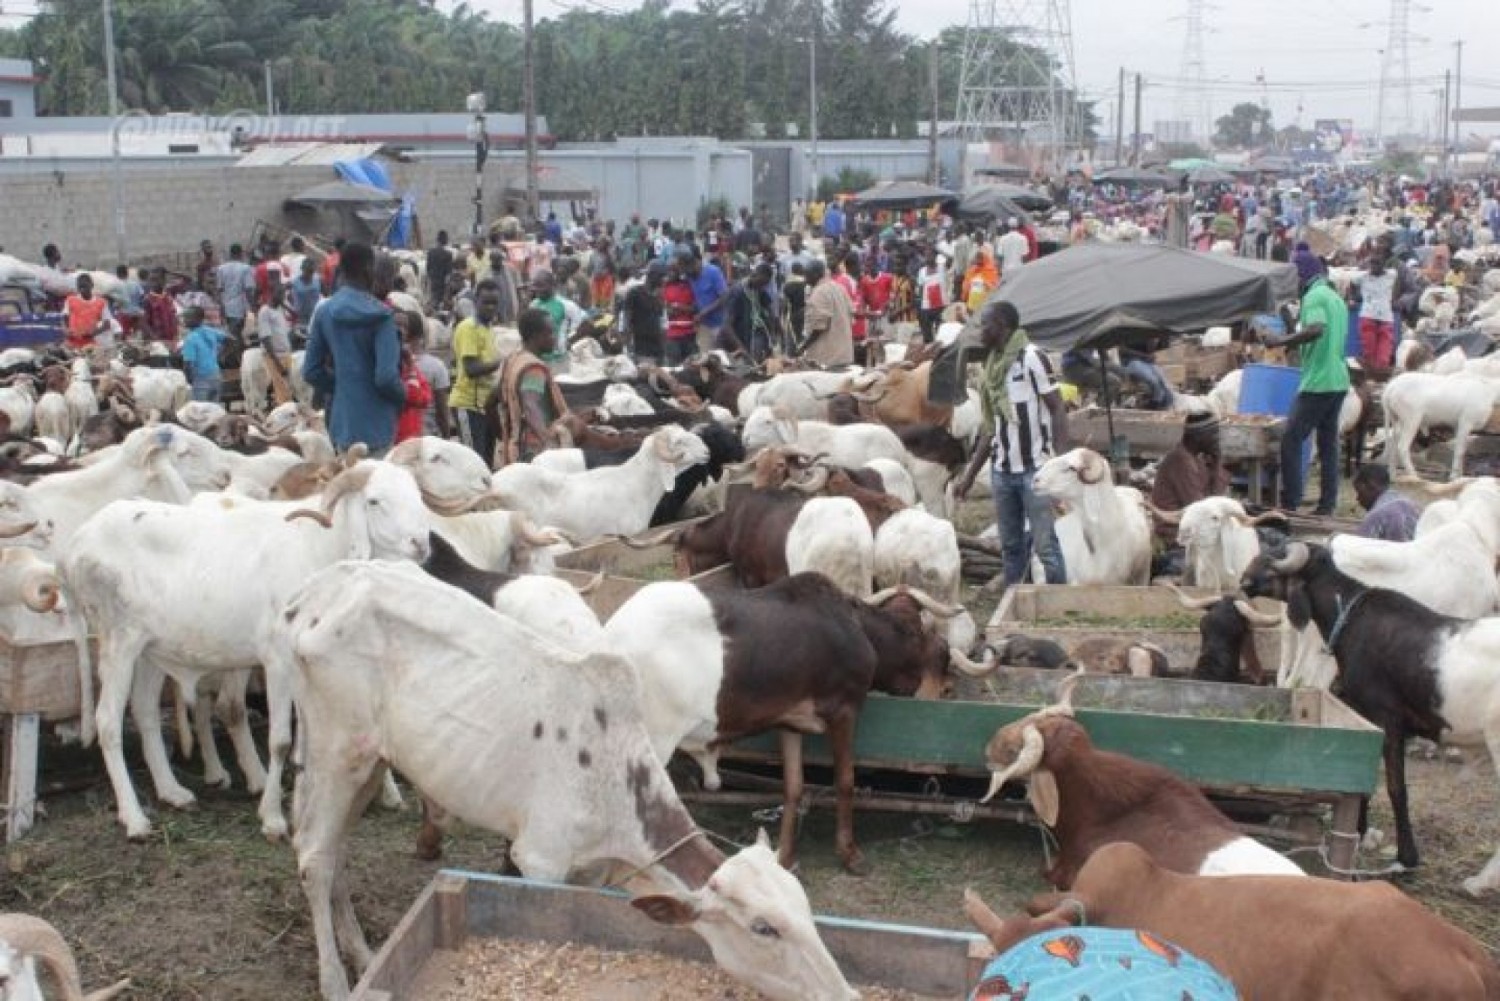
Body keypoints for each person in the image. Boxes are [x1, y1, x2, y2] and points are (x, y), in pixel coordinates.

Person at [955, 300, 1068, 588]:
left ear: (1002, 327)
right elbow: (989, 429)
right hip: (1003, 471)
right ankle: (1013, 603)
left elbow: (1057, 408)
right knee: (1011, 548)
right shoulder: (991, 368)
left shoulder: (1032, 358)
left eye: (986, 325)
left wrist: (1061, 461)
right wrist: (969, 476)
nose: (981, 331)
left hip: (1035, 470)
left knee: (1046, 548)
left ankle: (1057, 603)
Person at [302, 242, 406, 455]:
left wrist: (341, 384)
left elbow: (311, 371)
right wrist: (402, 395)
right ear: (369, 270)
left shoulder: (325, 312)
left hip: (342, 423)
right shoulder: (383, 316)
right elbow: (386, 378)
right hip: (378, 424)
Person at [1267, 252, 1350, 515]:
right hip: (1338, 379)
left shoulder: (1314, 297)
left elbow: (1315, 329)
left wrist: (1280, 342)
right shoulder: (1335, 298)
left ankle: (1290, 502)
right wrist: (1291, 332)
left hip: (1319, 382)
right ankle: (1327, 504)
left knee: (1291, 440)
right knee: (1328, 446)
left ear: (1302, 275)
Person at [496, 307, 571, 464]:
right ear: (535, 337)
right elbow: (530, 405)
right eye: (550, 333)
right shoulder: (533, 368)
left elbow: (494, 398)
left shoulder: (513, 359)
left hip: (514, 444)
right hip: (534, 450)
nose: (554, 337)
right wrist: (548, 442)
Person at [1150, 412, 1230, 541]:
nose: (1217, 439)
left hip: (1191, 527)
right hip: (1174, 534)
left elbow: (1214, 499)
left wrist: (1217, 463)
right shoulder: (1180, 461)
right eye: (1214, 434)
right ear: (1198, 437)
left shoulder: (1195, 459)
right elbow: (1202, 509)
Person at [449, 279, 504, 464]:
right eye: (486, 302)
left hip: (484, 405)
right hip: (468, 405)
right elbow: (471, 369)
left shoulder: (487, 329)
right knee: (473, 462)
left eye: (494, 303)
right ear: (475, 301)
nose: (490, 307)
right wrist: (499, 363)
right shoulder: (469, 328)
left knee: (487, 460)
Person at [801, 259, 854, 367]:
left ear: (816, 275)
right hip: (844, 353)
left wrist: (803, 347)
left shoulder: (819, 292)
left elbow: (819, 327)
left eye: (807, 276)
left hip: (827, 357)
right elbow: (851, 313)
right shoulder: (839, 287)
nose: (805, 280)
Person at [677, 248, 729, 352]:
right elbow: (697, 299)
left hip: (720, 323)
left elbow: (725, 297)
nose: (687, 274)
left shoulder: (713, 272)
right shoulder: (690, 276)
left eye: (687, 270)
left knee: (721, 357)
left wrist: (704, 312)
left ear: (694, 263)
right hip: (704, 325)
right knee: (704, 358)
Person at [720, 263, 775, 360]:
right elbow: (727, 326)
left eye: (764, 284)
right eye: (761, 283)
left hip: (753, 338)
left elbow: (770, 310)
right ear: (754, 274)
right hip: (738, 340)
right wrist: (741, 348)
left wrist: (772, 335)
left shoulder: (758, 289)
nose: (762, 287)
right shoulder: (737, 292)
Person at [1354, 250, 1397, 373]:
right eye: (1372, 263)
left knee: (1384, 356)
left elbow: (1397, 286)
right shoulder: (1363, 277)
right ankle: (1369, 378)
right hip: (1368, 316)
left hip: (1386, 318)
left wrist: (1394, 299)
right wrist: (1352, 298)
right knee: (1368, 353)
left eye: (1377, 263)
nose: (1373, 267)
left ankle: (1379, 377)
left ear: (1384, 264)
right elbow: (1351, 284)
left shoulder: (1392, 275)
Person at [394, 311, 434, 446]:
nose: (401, 330)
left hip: (411, 438)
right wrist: (410, 366)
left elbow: (426, 398)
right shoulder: (394, 363)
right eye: (397, 324)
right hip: (396, 440)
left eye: (405, 327)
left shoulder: (406, 361)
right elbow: (415, 396)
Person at [1353, 463, 1419, 542]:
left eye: (1359, 492)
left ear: (1371, 486)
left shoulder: (1376, 515)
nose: (1357, 498)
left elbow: (1359, 547)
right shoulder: (1411, 505)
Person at [257, 283, 296, 407]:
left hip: (286, 353)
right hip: (274, 356)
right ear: (271, 294)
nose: (282, 297)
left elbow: (295, 314)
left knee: (289, 389)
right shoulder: (265, 311)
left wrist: (284, 304)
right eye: (279, 294)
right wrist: (277, 362)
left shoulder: (280, 308)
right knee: (282, 392)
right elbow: (265, 338)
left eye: (283, 294)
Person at [179, 306, 226, 402]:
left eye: (187, 317)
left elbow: (188, 364)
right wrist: (222, 355)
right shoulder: (210, 331)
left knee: (201, 412)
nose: (184, 320)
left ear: (197, 319)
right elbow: (231, 340)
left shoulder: (190, 339)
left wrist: (188, 381)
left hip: (201, 380)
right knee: (213, 411)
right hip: (216, 376)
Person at [623, 262, 666, 364]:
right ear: (653, 276)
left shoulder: (658, 297)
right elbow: (626, 318)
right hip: (641, 346)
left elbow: (661, 321)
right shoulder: (634, 293)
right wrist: (628, 344)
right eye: (661, 277)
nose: (664, 280)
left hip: (657, 346)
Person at [62, 273, 113, 350]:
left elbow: (107, 325)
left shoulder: (101, 302)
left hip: (89, 344)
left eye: (84, 286)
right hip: (71, 343)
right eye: (80, 287)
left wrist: (93, 333)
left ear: (91, 285)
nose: (82, 290)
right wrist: (66, 330)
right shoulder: (70, 300)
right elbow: (64, 318)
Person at [214, 244, 255, 339]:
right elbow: (248, 289)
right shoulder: (246, 268)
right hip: (240, 306)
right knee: (236, 334)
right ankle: (236, 351)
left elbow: (219, 290)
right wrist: (253, 306)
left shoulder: (221, 269)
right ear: (241, 254)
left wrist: (221, 306)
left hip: (226, 305)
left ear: (230, 254)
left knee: (231, 332)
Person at [916, 247, 949, 343]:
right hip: (927, 307)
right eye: (926, 255)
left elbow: (951, 259)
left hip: (942, 306)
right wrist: (920, 307)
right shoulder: (921, 271)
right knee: (928, 335)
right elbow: (920, 289)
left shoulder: (942, 267)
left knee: (942, 333)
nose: (927, 257)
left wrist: (939, 251)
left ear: (935, 256)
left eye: (930, 255)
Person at [141, 268, 180, 343]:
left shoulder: (168, 295)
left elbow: (173, 315)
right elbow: (144, 323)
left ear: (163, 281)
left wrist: (176, 332)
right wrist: (154, 338)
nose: (153, 283)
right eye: (151, 280)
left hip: (171, 337)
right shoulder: (148, 299)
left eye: (156, 280)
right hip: (158, 339)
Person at [288, 257, 323, 332]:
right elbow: (287, 296)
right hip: (299, 319)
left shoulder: (317, 280)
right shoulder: (295, 282)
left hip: (314, 317)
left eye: (311, 271)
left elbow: (326, 294)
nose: (309, 273)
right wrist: (292, 307)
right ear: (302, 269)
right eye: (308, 271)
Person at [964, 245, 1000, 313]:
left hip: (986, 304)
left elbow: (995, 288)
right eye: (977, 258)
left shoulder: (991, 271)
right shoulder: (971, 271)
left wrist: (984, 282)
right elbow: (966, 287)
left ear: (985, 258)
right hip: (971, 304)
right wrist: (965, 299)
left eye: (980, 258)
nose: (978, 260)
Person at [426, 230, 454, 305]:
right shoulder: (448, 254)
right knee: (441, 304)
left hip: (433, 283)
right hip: (442, 285)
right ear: (446, 240)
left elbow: (428, 269)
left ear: (437, 239)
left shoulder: (430, 252)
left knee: (433, 302)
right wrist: (447, 290)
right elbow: (449, 274)